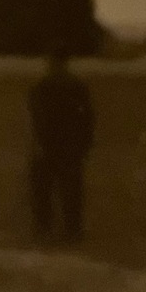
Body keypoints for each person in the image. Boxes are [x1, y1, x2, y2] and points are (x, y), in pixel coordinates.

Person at [27, 50, 94, 244]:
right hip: (69, 147)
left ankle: (44, 231)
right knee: (70, 193)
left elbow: (35, 120)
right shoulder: (77, 87)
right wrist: (84, 145)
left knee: (44, 193)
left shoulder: (41, 87)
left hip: (48, 147)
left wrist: (36, 145)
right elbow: (87, 119)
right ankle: (72, 232)